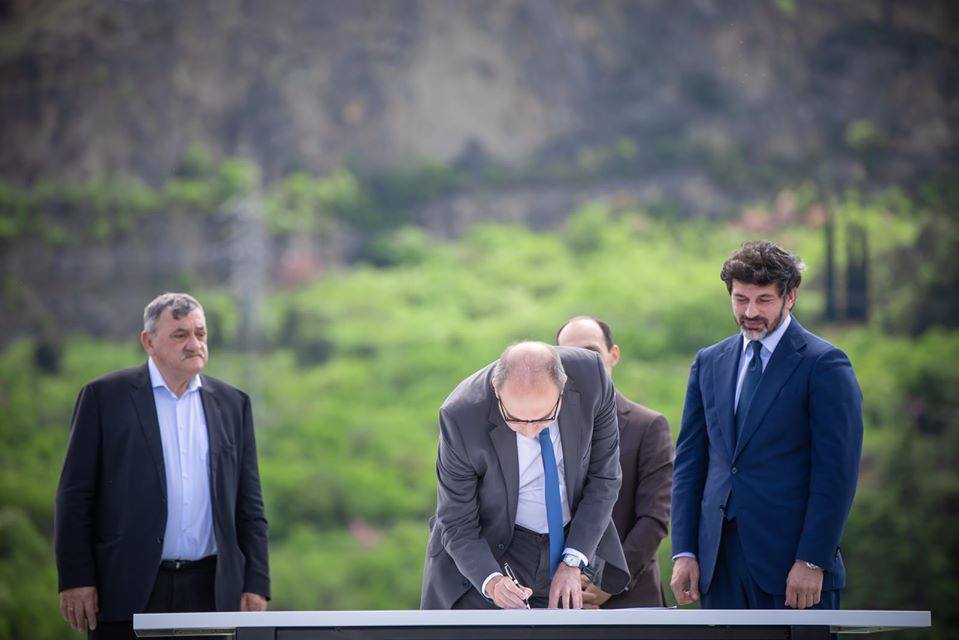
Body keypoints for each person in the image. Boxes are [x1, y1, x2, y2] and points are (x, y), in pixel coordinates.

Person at [55, 293, 270, 639]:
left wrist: (257, 583)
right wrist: (76, 577)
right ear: (149, 341)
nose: (194, 344)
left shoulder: (233, 404)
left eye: (200, 333)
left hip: (212, 591)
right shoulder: (104, 398)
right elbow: (74, 495)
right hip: (126, 587)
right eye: (180, 334)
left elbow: (250, 504)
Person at [670, 241, 863, 610]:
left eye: (764, 300)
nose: (750, 312)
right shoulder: (708, 362)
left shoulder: (825, 364)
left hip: (793, 568)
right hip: (717, 564)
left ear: (790, 297)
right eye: (741, 299)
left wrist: (812, 560)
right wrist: (685, 551)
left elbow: (836, 473)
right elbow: (690, 464)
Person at [420, 342, 630, 609]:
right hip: (489, 551)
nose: (531, 431)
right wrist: (493, 581)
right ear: (496, 391)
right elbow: (456, 519)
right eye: (515, 420)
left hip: (570, 540)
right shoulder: (460, 415)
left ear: (563, 386)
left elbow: (604, 479)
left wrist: (573, 560)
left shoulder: (592, 378)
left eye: (544, 418)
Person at [556, 316, 673, 608]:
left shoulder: (649, 426)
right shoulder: (540, 427)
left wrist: (606, 582)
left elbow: (654, 518)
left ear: (613, 355)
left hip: (630, 597)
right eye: (569, 354)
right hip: (557, 598)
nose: (581, 362)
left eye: (591, 351)